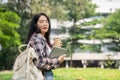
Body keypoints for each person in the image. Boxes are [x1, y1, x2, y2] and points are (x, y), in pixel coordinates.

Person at [26, 13, 65, 80]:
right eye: (41, 22)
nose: (45, 24)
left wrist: (55, 49)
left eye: (47, 22)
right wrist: (57, 60)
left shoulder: (43, 40)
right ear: (35, 24)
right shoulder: (37, 38)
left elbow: (46, 61)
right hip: (41, 76)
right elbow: (40, 62)